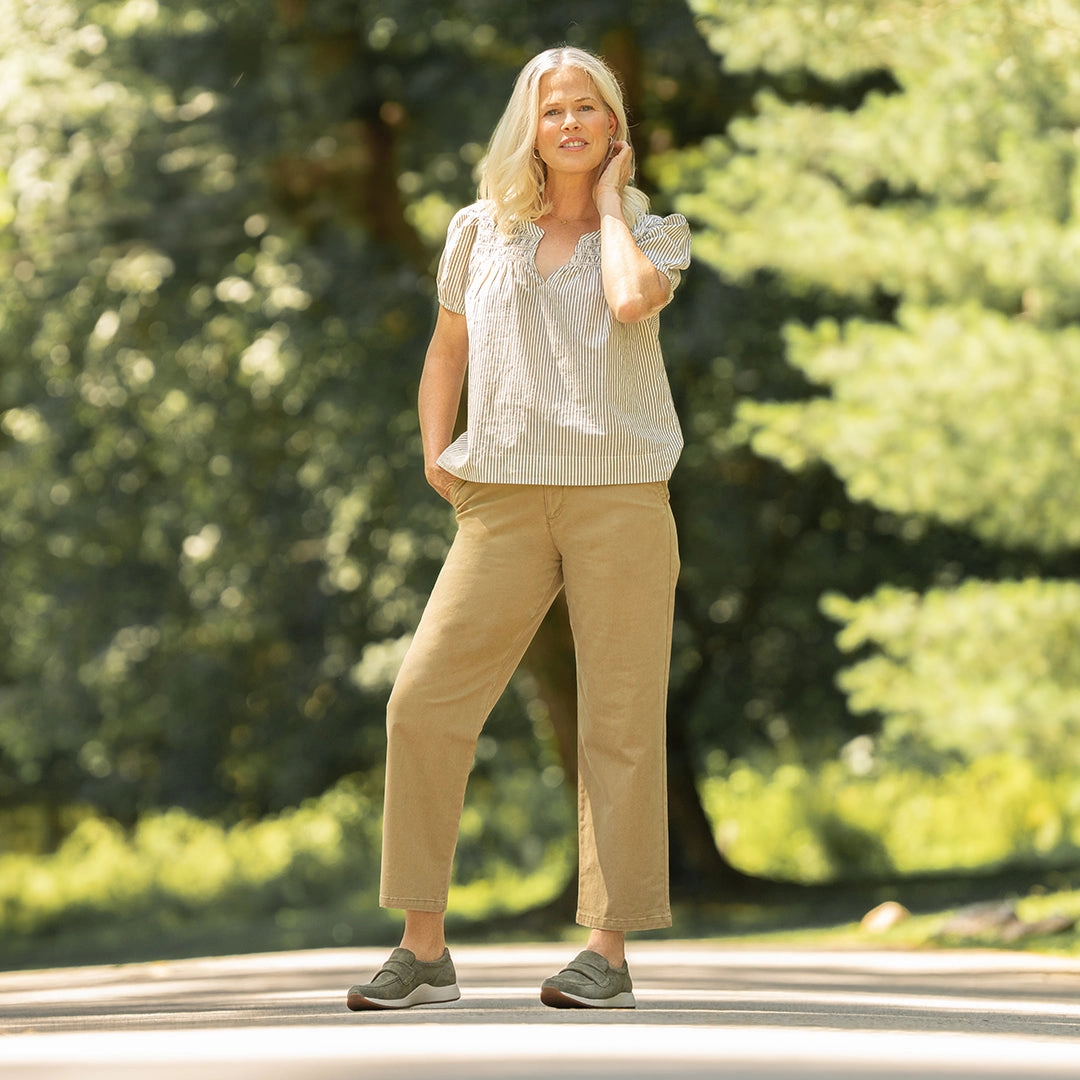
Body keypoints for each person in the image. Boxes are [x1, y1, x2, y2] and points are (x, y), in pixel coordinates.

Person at [346, 44, 691, 1012]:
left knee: (619, 723)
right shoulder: (477, 230)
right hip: (500, 496)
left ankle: (606, 953)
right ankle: (423, 949)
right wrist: (436, 449)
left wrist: (612, 204)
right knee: (422, 702)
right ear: (528, 128)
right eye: (551, 110)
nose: (569, 123)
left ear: (613, 124)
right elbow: (446, 348)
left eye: (587, 107)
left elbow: (629, 300)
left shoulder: (653, 233)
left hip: (620, 493)